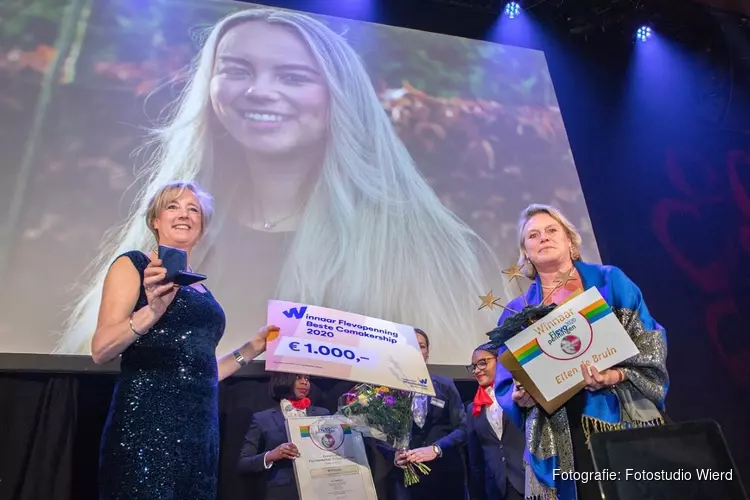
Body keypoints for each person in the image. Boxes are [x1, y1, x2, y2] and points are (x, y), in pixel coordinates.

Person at [59, 7, 501, 364]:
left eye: (293, 77)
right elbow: (99, 346)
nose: (259, 91)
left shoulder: (419, 245)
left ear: (339, 97)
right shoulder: (175, 230)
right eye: (236, 69)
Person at [92, 180, 280, 500]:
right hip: (147, 426)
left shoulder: (201, 290)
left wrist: (253, 348)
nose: (184, 214)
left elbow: (202, 370)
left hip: (200, 433)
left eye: (193, 209)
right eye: (173, 206)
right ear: (155, 220)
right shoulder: (134, 265)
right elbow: (101, 349)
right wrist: (152, 311)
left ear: (201, 228)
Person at [493, 203, 669, 500]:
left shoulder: (609, 281)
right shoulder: (515, 311)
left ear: (570, 241)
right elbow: (506, 381)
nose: (543, 238)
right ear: (525, 253)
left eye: (551, 230)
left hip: (620, 415)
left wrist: (614, 374)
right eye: (533, 235)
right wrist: (519, 397)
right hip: (560, 433)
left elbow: (649, 339)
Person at [385, 328, 468, 500]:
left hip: (445, 476)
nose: (416, 351)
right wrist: (392, 454)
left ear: (427, 352)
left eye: (421, 346)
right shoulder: (387, 390)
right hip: (406, 480)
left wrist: (437, 448)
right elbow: (377, 433)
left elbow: (462, 428)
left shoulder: (445, 385)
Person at [237, 373, 329, 500]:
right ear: (283, 379)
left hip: (322, 489)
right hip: (283, 492)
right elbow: (243, 463)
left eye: (307, 378)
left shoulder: (323, 414)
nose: (305, 382)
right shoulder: (262, 418)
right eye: (298, 377)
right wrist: (271, 455)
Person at [465, 343, 525, 500]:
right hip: (495, 489)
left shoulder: (520, 394)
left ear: (500, 361)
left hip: (526, 481)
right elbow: (475, 458)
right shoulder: (473, 408)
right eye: (473, 366)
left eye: (482, 363)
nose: (476, 370)